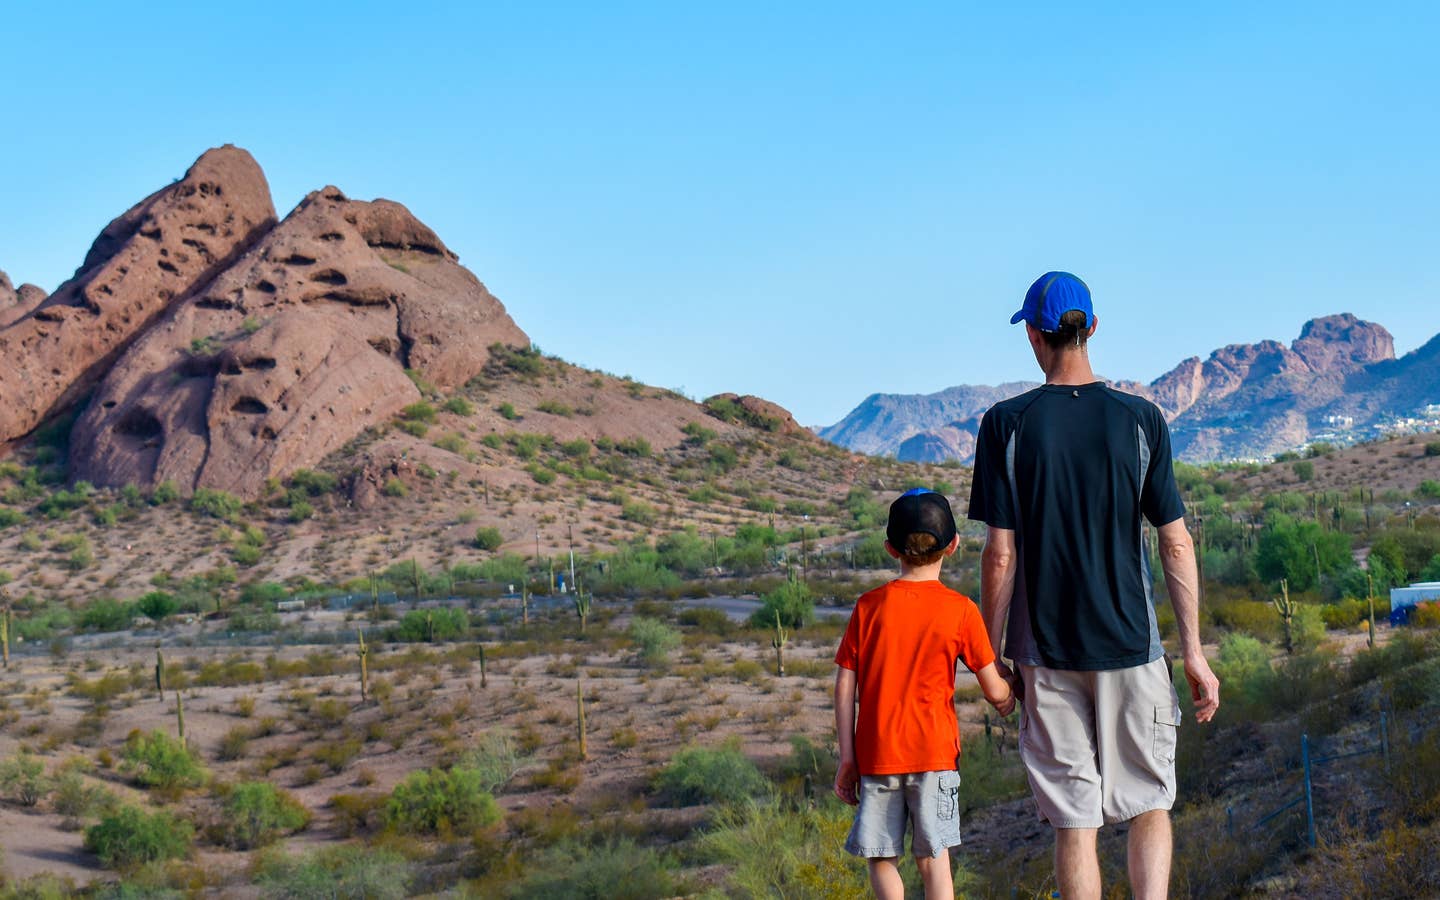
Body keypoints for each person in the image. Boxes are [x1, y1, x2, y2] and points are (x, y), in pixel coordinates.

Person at [967, 271, 1221, 900]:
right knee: (1148, 803)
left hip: (1046, 656)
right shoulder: (1141, 419)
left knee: (1074, 822)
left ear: (1033, 334)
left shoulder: (1006, 424)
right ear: (1093, 329)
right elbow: (1176, 540)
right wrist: (1192, 651)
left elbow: (1000, 556)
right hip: (1132, 646)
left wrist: (991, 656)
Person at [833, 488, 1016, 900]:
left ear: (889, 548)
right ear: (952, 545)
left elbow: (846, 684)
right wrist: (1008, 696)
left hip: (877, 755)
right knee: (934, 859)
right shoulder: (961, 610)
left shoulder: (868, 607)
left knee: (881, 858)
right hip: (933, 755)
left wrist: (848, 756)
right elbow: (992, 685)